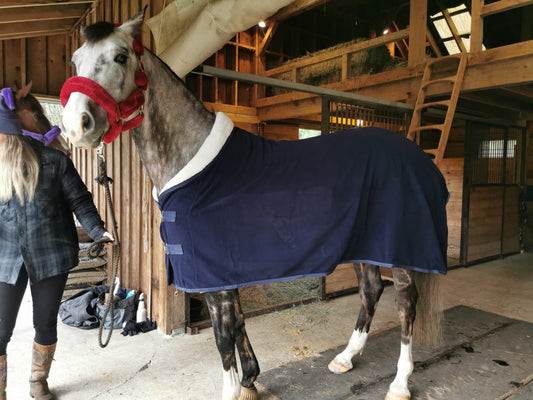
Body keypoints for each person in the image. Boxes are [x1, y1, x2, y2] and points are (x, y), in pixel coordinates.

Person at [0, 94, 113, 400]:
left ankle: (38, 381)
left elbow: (80, 200)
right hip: (6, 259)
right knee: (0, 328)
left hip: (50, 254)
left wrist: (98, 230)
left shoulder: (55, 161)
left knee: (45, 322)